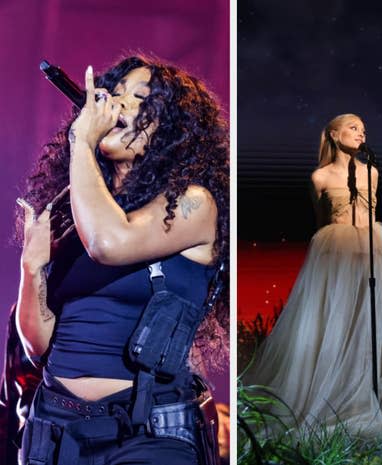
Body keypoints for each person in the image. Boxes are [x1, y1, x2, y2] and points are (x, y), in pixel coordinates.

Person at [15, 55, 229, 464]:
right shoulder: (79, 211)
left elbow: (109, 243)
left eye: (138, 99)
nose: (116, 104)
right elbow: (37, 343)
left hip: (145, 430)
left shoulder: (193, 204)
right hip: (55, 428)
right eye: (114, 94)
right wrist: (32, 269)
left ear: (170, 130)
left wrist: (82, 139)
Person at [243, 113, 382, 451]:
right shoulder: (319, 177)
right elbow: (320, 220)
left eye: (363, 128)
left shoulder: (372, 172)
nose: (361, 133)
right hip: (336, 254)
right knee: (339, 323)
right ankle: (342, 402)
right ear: (333, 134)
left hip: (375, 250)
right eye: (353, 127)